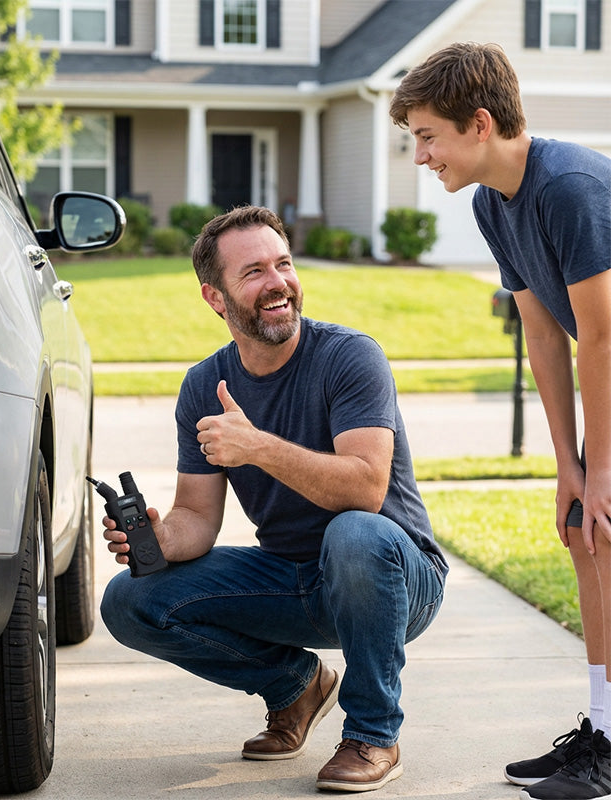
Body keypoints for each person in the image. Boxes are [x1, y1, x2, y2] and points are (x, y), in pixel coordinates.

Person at [100, 205, 448, 793]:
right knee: (129, 600)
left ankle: (372, 733)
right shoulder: (203, 386)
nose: (277, 283)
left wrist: (258, 446)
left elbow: (366, 488)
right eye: (254, 272)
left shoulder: (350, 356)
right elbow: (197, 518)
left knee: (354, 533)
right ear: (216, 297)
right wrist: (158, 539)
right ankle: (296, 687)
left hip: (392, 576)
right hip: (293, 577)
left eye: (283, 264)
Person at [389, 41, 611, 800]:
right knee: (585, 532)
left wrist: (604, 467)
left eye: (426, 136)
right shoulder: (493, 203)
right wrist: (569, 468)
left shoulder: (570, 187)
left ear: (478, 124)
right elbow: (546, 336)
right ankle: (604, 728)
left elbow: (603, 334)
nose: (420, 155)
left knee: (608, 532)